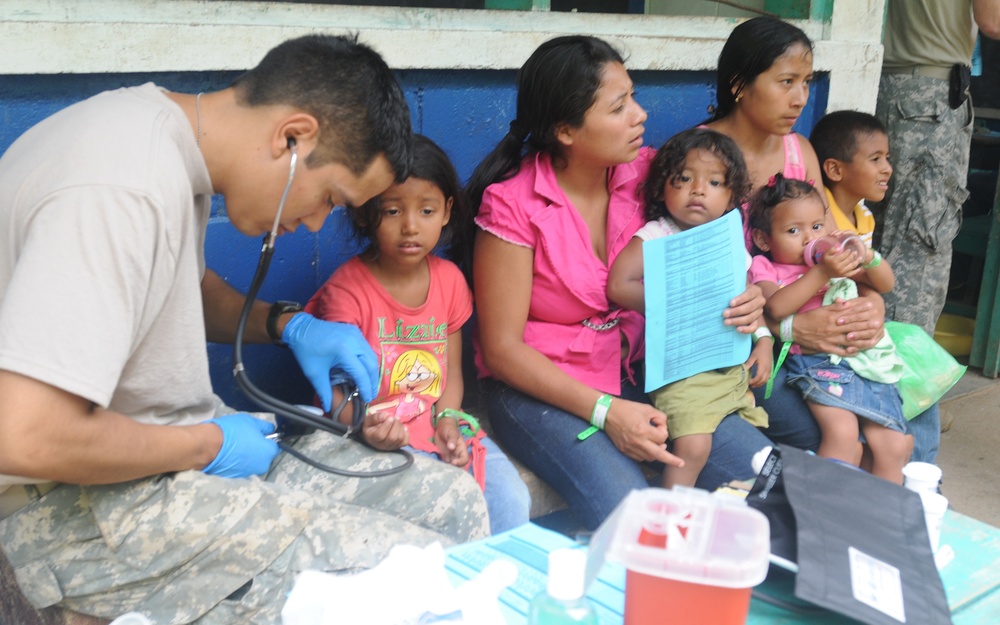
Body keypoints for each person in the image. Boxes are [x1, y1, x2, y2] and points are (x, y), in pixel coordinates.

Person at [0, 35, 488, 624]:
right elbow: (25, 434)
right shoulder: (120, 188)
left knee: (449, 502)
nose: (314, 224)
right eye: (328, 197)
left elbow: (174, 285)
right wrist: (208, 443)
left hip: (166, 461)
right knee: (402, 574)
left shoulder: (158, 141)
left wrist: (289, 326)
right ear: (292, 136)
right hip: (68, 509)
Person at [464, 35, 770, 531]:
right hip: (545, 390)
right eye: (619, 105)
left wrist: (748, 299)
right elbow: (501, 350)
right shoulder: (513, 205)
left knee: (766, 482)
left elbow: (719, 236)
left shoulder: (651, 174)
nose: (640, 114)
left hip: (654, 372)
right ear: (565, 129)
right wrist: (607, 412)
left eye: (633, 96)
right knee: (638, 524)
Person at [704, 16, 943, 463]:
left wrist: (871, 304)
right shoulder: (700, 160)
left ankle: (907, 512)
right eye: (786, 82)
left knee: (917, 415)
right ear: (739, 84)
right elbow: (700, 285)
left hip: (818, 321)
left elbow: (834, 247)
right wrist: (785, 328)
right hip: (748, 344)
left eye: (806, 82)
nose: (800, 99)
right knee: (836, 433)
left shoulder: (800, 151)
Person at [304, 134, 530, 534]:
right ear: (363, 214)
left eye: (426, 210)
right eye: (392, 211)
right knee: (441, 511)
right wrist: (367, 426)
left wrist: (447, 421)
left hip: (433, 425)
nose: (410, 226)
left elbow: (451, 374)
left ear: (446, 211)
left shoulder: (450, 281)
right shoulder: (347, 291)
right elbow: (336, 393)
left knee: (510, 499)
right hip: (366, 435)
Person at [606, 127, 772, 488]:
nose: (698, 190)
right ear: (662, 186)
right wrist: (672, 304)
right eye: (683, 179)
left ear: (731, 198)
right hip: (681, 367)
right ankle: (671, 508)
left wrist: (763, 339)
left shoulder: (726, 243)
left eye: (714, 182)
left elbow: (746, 295)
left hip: (725, 364)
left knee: (748, 425)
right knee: (694, 446)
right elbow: (619, 285)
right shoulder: (657, 234)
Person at [746, 174, 912, 483]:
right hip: (816, 362)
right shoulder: (767, 268)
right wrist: (822, 272)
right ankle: (821, 509)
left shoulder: (834, 257)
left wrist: (868, 256)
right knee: (842, 433)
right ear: (763, 240)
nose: (809, 239)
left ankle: (883, 519)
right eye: (793, 230)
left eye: (817, 226)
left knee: (893, 444)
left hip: (862, 358)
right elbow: (776, 308)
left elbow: (886, 284)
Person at [874, 0, 1000, 336]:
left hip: (889, 85)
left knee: (883, 232)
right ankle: (902, 370)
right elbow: (993, 21)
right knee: (919, 242)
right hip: (929, 98)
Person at [810, 110, 891, 249]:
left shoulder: (865, 217)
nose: (888, 169)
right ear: (835, 170)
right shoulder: (815, 218)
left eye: (887, 158)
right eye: (875, 159)